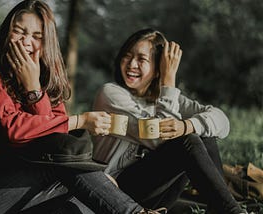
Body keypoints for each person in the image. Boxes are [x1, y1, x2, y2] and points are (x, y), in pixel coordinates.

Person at [0, 2, 166, 213]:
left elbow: (55, 137)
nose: (25, 42)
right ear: (6, 33)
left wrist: (33, 86)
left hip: (25, 191)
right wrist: (80, 121)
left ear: (46, 42)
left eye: (36, 36)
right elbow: (15, 130)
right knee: (70, 167)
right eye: (19, 31)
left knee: (83, 202)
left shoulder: (45, 79)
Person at [92, 28, 248, 214]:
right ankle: (231, 211)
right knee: (186, 140)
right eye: (127, 56)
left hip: (155, 193)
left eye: (141, 59)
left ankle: (221, 208)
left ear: (158, 68)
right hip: (115, 192)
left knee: (204, 136)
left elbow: (223, 122)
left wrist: (187, 125)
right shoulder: (110, 94)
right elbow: (159, 136)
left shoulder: (169, 98)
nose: (132, 64)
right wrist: (169, 80)